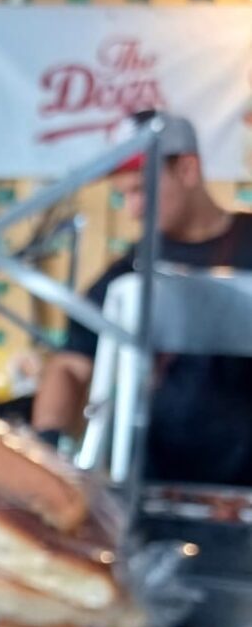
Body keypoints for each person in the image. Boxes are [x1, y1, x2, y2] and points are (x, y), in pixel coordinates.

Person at [32, 113, 252, 486]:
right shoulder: (126, 274)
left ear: (187, 169)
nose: (133, 209)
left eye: (141, 190)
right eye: (124, 195)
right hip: (157, 483)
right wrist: (45, 448)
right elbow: (71, 365)